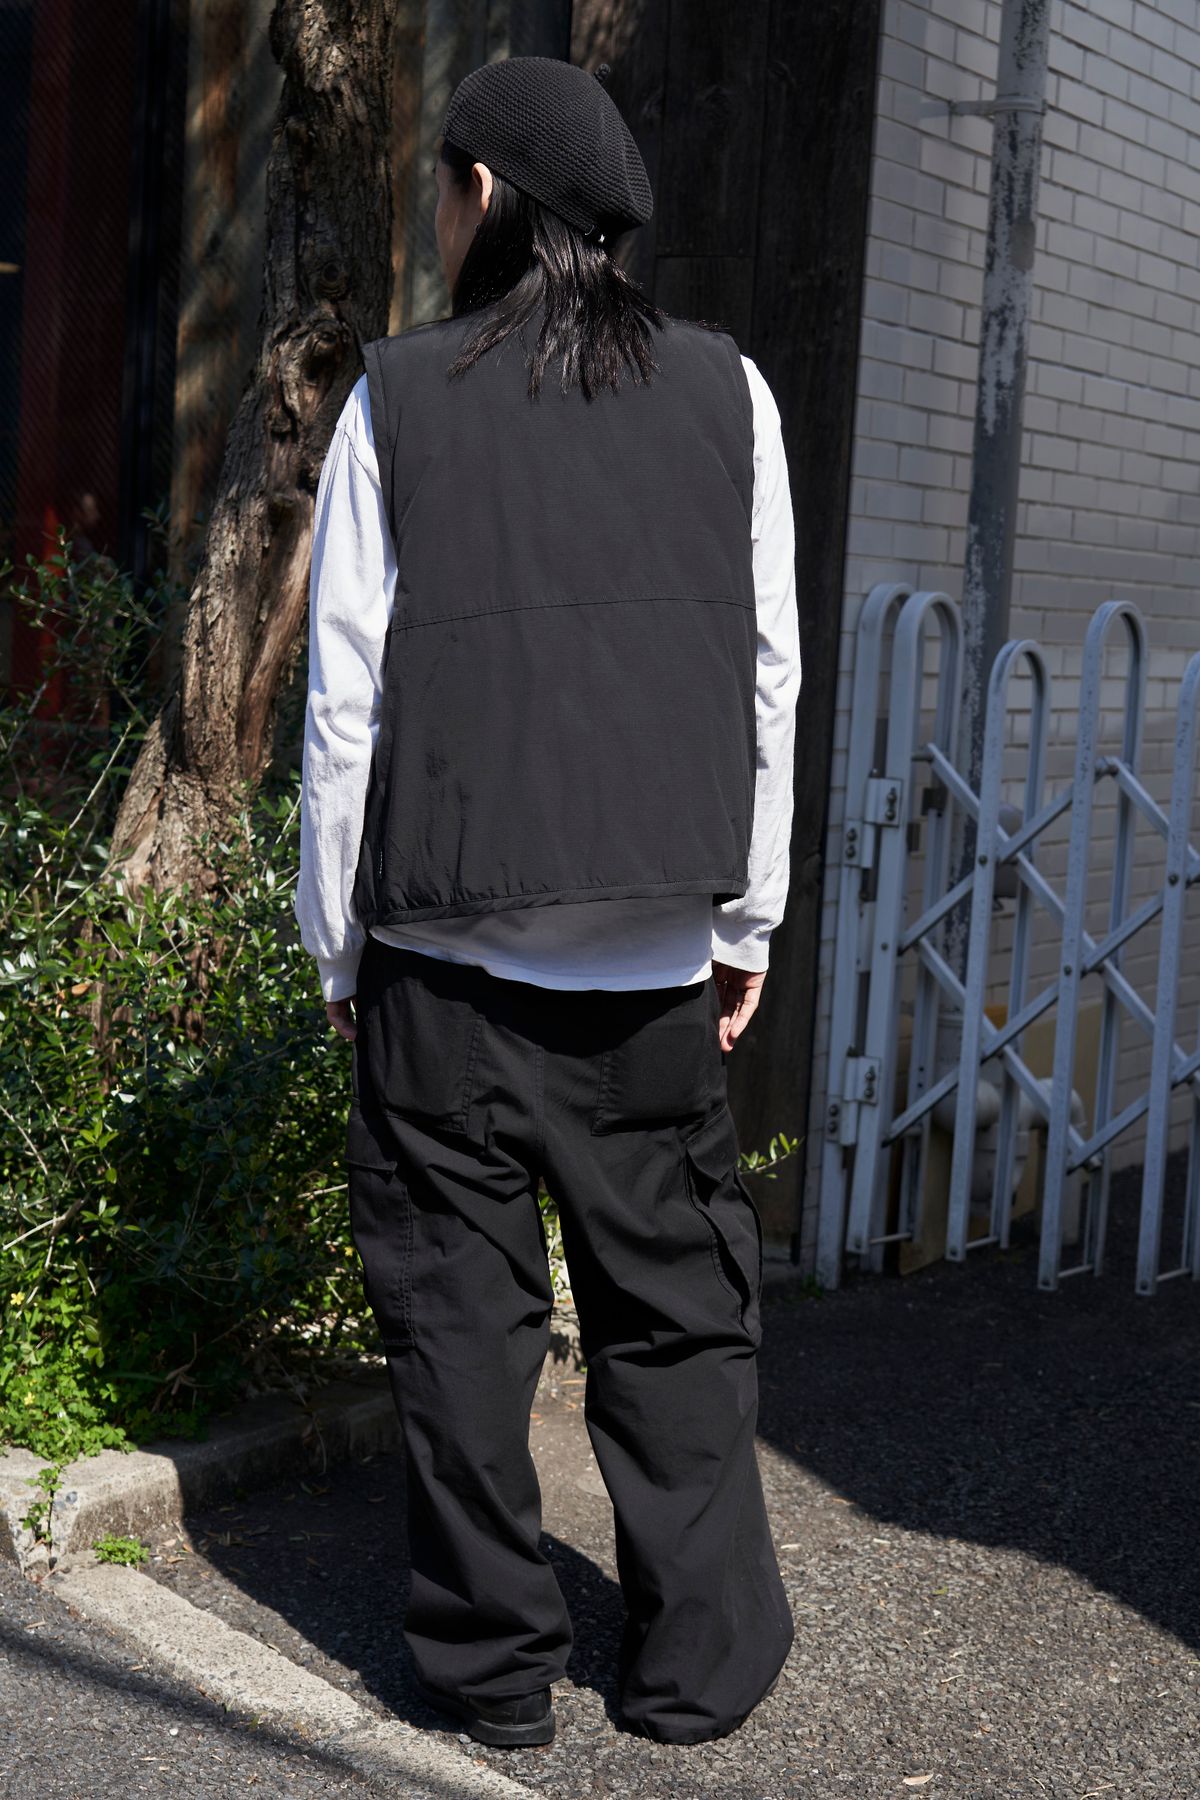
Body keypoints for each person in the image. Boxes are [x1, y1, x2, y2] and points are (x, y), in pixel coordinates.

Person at [296, 55, 802, 1752]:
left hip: (442, 963)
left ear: (487, 196)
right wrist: (745, 923)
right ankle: (695, 1668)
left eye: (443, 190)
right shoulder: (733, 396)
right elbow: (767, 675)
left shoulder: (395, 399)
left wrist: (337, 943)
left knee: (459, 1327)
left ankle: (492, 1676)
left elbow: (346, 704)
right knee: (677, 1319)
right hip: (651, 964)